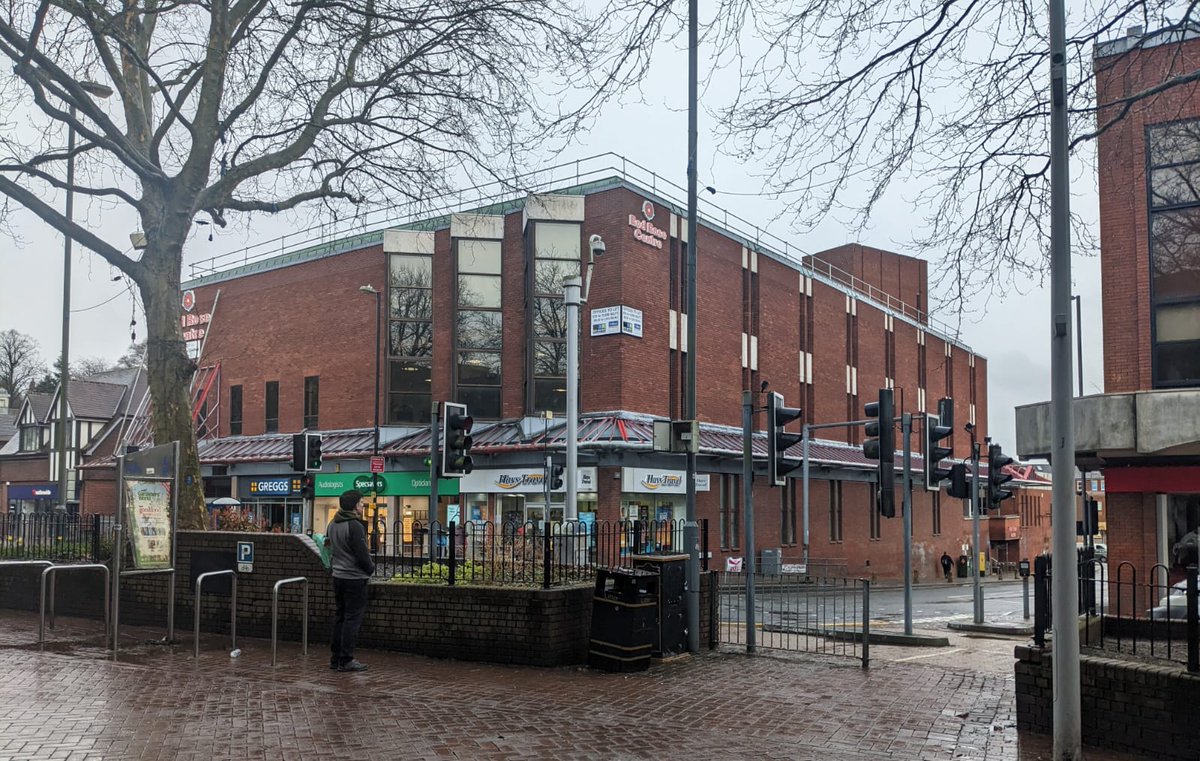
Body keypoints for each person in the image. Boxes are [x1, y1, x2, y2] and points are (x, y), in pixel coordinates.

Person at [328, 489, 375, 672]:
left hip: (338, 576)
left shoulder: (333, 523)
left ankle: (335, 658)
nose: (362, 507)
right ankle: (346, 659)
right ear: (355, 505)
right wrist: (370, 569)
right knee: (352, 620)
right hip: (354, 579)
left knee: (340, 617)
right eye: (361, 503)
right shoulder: (354, 526)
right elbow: (361, 554)